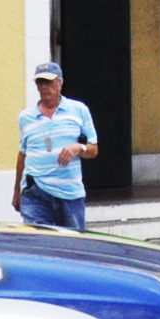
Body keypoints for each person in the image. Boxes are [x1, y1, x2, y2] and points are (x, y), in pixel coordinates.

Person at [15, 62, 100, 231]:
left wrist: (79, 148)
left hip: (69, 192)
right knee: (38, 245)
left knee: (72, 246)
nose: (45, 87)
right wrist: (17, 190)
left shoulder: (78, 110)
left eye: (49, 82)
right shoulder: (26, 117)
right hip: (36, 190)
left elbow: (94, 149)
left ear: (60, 84)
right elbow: (23, 154)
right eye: (40, 83)